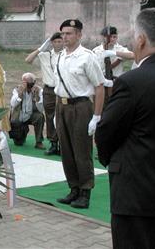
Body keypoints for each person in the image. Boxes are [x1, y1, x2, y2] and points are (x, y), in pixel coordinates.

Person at [95, 8, 155, 249]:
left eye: (133, 36)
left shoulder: (131, 82)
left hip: (135, 194)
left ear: (141, 40)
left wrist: (110, 160)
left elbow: (106, 132)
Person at [54, 19, 105, 209]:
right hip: (63, 106)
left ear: (79, 35)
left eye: (69, 33)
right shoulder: (60, 56)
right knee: (66, 150)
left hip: (81, 107)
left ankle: (85, 192)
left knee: (81, 151)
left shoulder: (87, 57)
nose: (65, 37)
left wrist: (96, 116)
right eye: (63, 34)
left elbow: (99, 87)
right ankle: (73, 188)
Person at [25, 32, 64, 155]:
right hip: (49, 90)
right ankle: (53, 143)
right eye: (55, 41)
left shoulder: (67, 55)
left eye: (60, 41)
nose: (57, 44)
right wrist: (41, 48)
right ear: (51, 43)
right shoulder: (45, 55)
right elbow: (28, 60)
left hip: (63, 89)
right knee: (50, 116)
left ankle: (63, 144)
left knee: (62, 116)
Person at [9, 72, 44, 148]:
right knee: (18, 143)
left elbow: (41, 110)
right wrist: (20, 94)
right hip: (20, 117)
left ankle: (39, 142)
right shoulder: (17, 89)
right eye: (26, 83)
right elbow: (13, 104)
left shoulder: (39, 90)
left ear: (34, 83)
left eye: (30, 84)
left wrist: (37, 98)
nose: (28, 87)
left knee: (40, 117)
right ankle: (24, 131)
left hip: (32, 115)